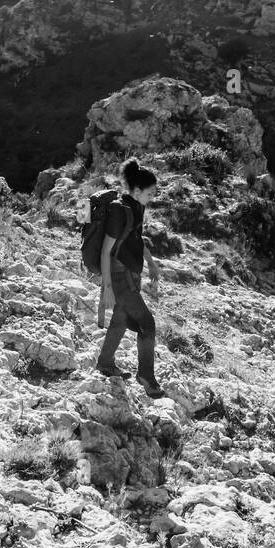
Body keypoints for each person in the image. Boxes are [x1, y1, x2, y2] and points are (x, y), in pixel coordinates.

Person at [96, 157, 164, 398]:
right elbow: (106, 251)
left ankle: (105, 362)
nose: (153, 197)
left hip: (131, 274)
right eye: (150, 193)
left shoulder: (138, 207)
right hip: (119, 276)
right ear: (136, 190)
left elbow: (136, 238)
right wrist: (107, 289)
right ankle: (146, 375)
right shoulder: (120, 211)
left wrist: (151, 262)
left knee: (121, 318)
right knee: (147, 323)